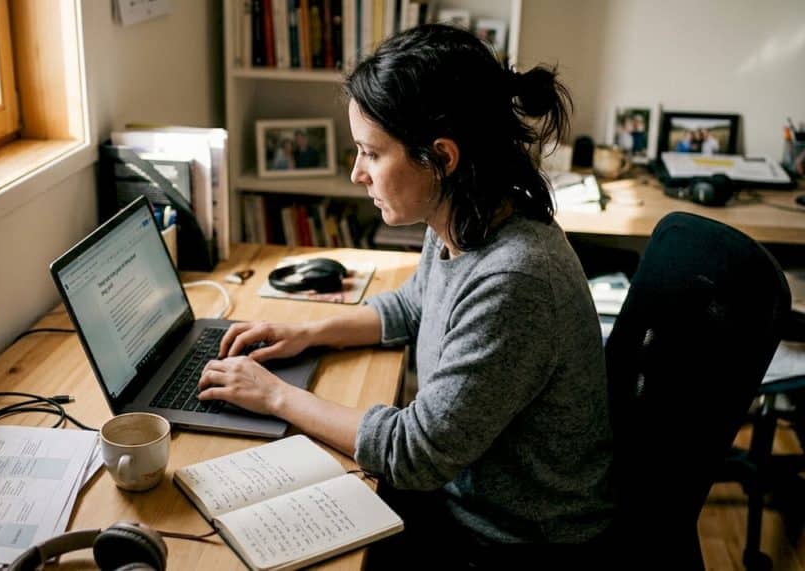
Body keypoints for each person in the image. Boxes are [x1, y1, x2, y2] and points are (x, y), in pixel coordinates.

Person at [197, 24, 613, 567]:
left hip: (514, 540)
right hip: (467, 501)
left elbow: (412, 453)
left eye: (371, 153)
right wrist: (305, 333)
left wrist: (276, 396)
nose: (356, 174)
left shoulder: (516, 280)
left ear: (440, 157)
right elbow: (415, 302)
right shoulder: (463, 215)